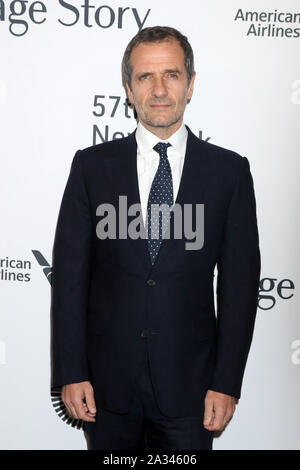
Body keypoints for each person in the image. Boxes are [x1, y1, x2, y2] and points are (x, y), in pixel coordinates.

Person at [51, 26, 261, 451]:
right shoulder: (91, 168)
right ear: (128, 89)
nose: (160, 89)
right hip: (107, 390)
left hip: (192, 391)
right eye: (146, 77)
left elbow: (240, 288)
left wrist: (227, 382)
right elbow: (71, 279)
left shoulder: (229, 173)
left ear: (191, 84)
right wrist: (71, 371)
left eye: (172, 75)